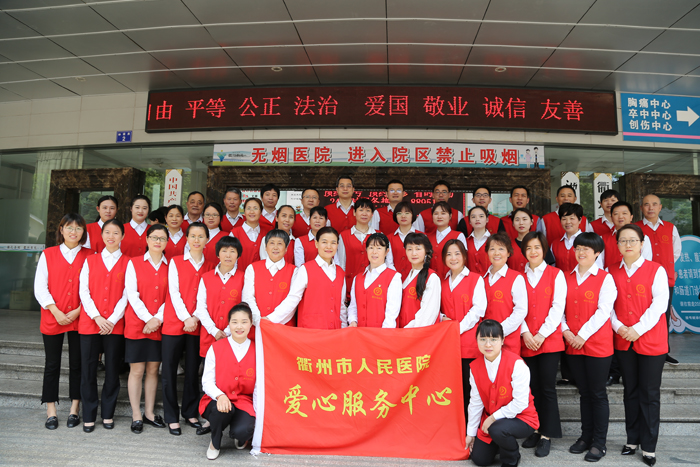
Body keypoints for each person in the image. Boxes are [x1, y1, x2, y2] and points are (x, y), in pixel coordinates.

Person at [610, 224, 669, 466]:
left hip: (651, 341)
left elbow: (660, 304)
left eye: (633, 240)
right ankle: (632, 439)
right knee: (630, 392)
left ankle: (649, 446)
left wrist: (637, 329)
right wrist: (618, 327)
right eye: (623, 240)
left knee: (649, 394)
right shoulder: (610, 271)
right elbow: (607, 306)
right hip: (623, 340)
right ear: (617, 245)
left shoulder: (656, 270)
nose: (628, 244)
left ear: (642, 243)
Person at [562, 232, 616, 462]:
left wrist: (582, 335)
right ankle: (585, 437)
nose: (581, 252)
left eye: (586, 248)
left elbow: (604, 311)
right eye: (578, 248)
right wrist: (566, 331)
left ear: (597, 253)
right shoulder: (565, 277)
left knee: (597, 393)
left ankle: (599, 443)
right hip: (573, 343)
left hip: (597, 344)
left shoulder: (606, 278)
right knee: (584, 392)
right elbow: (558, 308)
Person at [34, 213, 92, 430]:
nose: (73, 232)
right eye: (69, 227)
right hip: (53, 316)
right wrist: (55, 310)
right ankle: (51, 410)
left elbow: (93, 288)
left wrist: (79, 310)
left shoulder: (90, 255)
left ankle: (75, 408)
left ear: (83, 232)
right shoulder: (48, 254)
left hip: (81, 317)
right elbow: (40, 287)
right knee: (52, 364)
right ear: (61, 230)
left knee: (78, 364)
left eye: (78, 228)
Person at [162, 222, 214, 436]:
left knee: (193, 370)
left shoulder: (211, 265)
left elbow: (209, 296)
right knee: (169, 371)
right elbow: (174, 292)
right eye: (193, 236)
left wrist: (195, 318)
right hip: (175, 322)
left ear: (207, 240)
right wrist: (186, 317)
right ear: (187, 238)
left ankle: (190, 412)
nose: (196, 240)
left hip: (198, 324)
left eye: (201, 236)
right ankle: (171, 417)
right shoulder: (175, 262)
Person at [78, 219, 129, 432]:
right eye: (107, 232)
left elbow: (127, 294)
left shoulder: (128, 262)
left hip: (115, 325)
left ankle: (108, 414)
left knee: (112, 371)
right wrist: (97, 317)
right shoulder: (90, 260)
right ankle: (89, 415)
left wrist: (112, 319)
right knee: (88, 370)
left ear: (122, 236)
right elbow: (83, 291)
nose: (111, 236)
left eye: (116, 233)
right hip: (91, 323)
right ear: (101, 235)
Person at [466, 320, 539, 467]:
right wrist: (471, 433)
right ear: (477, 340)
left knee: (498, 429)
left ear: (502, 340)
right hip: (493, 421)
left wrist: (493, 418)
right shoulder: (475, 367)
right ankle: (500, 444)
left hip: (522, 418)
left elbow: (520, 403)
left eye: (493, 339)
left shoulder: (517, 364)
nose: (488, 345)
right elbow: (476, 402)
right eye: (483, 339)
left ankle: (512, 458)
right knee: (480, 459)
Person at [519, 231, 566, 458]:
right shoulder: (519, 276)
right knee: (532, 388)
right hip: (527, 339)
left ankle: (547, 435)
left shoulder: (556, 274)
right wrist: (526, 332)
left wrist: (541, 334)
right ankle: (535, 429)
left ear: (544, 249)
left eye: (537, 247)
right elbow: (516, 307)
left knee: (547, 388)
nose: (533, 251)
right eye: (528, 248)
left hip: (549, 340)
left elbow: (558, 307)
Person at [124, 224, 169, 434]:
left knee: (153, 370)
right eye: (154, 237)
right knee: (137, 370)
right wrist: (148, 319)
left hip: (160, 325)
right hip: (137, 324)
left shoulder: (171, 266)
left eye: (162, 238)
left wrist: (157, 319)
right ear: (147, 239)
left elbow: (172, 295)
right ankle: (136, 414)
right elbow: (132, 295)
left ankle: (149, 413)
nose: (158, 241)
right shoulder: (133, 263)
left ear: (167, 242)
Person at [199, 303, 257, 460]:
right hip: (218, 399)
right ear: (229, 324)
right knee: (221, 411)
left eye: (244, 322)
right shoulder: (216, 348)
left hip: (244, 401)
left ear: (251, 324)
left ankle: (238, 433)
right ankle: (215, 442)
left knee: (244, 430)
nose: (239, 326)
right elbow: (207, 382)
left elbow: (259, 386)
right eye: (234, 322)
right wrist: (220, 395)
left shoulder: (257, 350)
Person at [440, 239, 487, 430]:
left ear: (464, 256)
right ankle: (455, 429)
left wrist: (457, 328)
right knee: (452, 390)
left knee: (470, 390)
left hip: (469, 343)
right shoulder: (442, 282)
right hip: (447, 345)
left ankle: (472, 430)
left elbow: (478, 309)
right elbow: (437, 309)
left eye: (457, 253)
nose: (453, 258)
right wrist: (442, 318)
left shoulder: (475, 279)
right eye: (449, 254)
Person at [266, 227, 348, 329]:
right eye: (324, 242)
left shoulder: (340, 273)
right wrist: (271, 319)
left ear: (337, 245)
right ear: (316, 244)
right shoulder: (305, 269)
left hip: (334, 331)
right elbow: (293, 299)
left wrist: (344, 329)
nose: (329, 246)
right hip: (310, 330)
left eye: (333, 243)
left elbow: (341, 306)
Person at [636, 193, 682, 367]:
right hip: (641, 279)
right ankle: (640, 349)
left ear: (660, 207)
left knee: (664, 314)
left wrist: (666, 268)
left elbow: (676, 251)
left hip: (665, 278)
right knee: (641, 312)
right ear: (641, 208)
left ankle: (664, 351)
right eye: (646, 204)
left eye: (654, 204)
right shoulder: (635, 228)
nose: (651, 208)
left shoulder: (670, 228)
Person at [194, 236, 244, 361]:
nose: (228, 255)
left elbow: (244, 307)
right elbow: (201, 307)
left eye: (232, 251)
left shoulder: (244, 278)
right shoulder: (206, 277)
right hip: (209, 334)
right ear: (218, 254)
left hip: (235, 335)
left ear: (238, 255)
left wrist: (228, 331)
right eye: (224, 251)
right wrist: (214, 331)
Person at [336, 198, 394, 302]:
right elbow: (342, 264)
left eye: (368, 210)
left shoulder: (379, 235)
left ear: (372, 214)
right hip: (350, 286)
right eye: (361, 210)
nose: (364, 213)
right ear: (354, 213)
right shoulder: (344, 236)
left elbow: (387, 262)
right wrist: (342, 290)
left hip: (375, 286)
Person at [243, 229, 297, 330]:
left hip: (284, 328)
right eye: (272, 243)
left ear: (286, 248)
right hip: (256, 327)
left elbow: (292, 300)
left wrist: (271, 319)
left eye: (280, 243)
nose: (275, 247)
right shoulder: (252, 268)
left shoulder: (294, 271)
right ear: (265, 247)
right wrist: (258, 321)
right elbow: (247, 297)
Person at [483, 232, 527, 355]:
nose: (496, 253)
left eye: (501, 249)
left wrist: (499, 331)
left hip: (508, 340)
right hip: (484, 341)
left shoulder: (516, 278)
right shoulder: (481, 279)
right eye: (492, 249)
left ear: (508, 253)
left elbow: (521, 310)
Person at [347, 233, 402, 328]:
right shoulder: (357, 278)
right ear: (366, 250)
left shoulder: (394, 277)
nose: (374, 252)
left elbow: (392, 312)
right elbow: (353, 306)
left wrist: (382, 334)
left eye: (379, 248)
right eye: (371, 247)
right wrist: (353, 321)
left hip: (381, 334)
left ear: (387, 251)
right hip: (359, 333)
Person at [398, 233, 441, 328]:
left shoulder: (432, 278)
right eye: (409, 249)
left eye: (418, 249)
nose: (414, 253)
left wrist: (408, 331)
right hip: (402, 331)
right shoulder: (404, 276)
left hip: (417, 332)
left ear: (426, 251)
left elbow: (428, 314)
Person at [550, 203, 602, 274]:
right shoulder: (555, 244)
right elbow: (552, 268)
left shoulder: (590, 242)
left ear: (580, 220)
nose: (568, 222)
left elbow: (598, 268)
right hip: (560, 280)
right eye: (564, 219)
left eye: (572, 218)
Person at [601, 201, 652, 270]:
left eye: (624, 213)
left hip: (637, 275)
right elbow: (599, 265)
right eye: (616, 214)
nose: (620, 217)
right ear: (611, 218)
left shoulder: (643, 237)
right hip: (610, 275)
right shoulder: (602, 239)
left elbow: (646, 262)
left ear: (631, 217)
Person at [428, 201, 467, 281]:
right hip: (431, 281)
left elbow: (462, 260)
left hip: (451, 280)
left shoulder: (458, 236)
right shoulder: (427, 237)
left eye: (443, 213)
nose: (439, 216)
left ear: (450, 216)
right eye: (436, 214)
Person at [508, 208, 556, 273]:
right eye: (517, 220)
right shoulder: (508, 245)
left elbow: (548, 267)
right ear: (513, 223)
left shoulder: (540, 242)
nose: (521, 223)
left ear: (531, 222)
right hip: (513, 279)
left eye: (524, 219)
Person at [230, 198, 269, 272]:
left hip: (261, 275)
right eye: (248, 208)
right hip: (240, 276)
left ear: (261, 212)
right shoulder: (234, 234)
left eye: (255, 208)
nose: (251, 212)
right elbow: (231, 259)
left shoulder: (267, 234)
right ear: (244, 211)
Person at [387, 201, 421, 280]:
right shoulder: (389, 238)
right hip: (395, 279)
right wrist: (396, 278)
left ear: (413, 215)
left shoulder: (421, 236)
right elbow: (389, 262)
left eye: (407, 213)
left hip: (416, 279)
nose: (403, 216)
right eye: (399, 213)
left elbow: (424, 260)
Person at [200, 202, 231, 269]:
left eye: (215, 215)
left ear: (221, 217)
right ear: (203, 216)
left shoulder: (227, 237)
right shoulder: (196, 235)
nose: (211, 218)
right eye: (207, 214)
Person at [465, 206, 491, 277]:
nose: (477, 219)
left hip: (490, 280)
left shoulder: (495, 241)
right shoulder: (465, 241)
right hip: (470, 280)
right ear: (469, 221)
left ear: (487, 219)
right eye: (473, 217)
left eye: (481, 216)